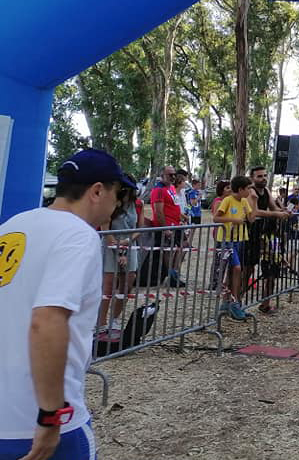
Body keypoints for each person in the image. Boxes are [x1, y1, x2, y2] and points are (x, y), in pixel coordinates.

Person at [0, 148, 134, 460]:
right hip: (35, 425)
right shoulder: (79, 236)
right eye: (118, 193)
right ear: (97, 191)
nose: (117, 205)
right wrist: (50, 414)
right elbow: (47, 320)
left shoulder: (12, 226)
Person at [97, 183, 144, 338]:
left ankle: (114, 319)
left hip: (130, 245)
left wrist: (127, 241)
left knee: (128, 282)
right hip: (110, 244)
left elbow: (140, 227)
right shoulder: (110, 203)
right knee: (109, 285)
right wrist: (118, 249)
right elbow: (105, 228)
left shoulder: (137, 204)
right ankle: (101, 323)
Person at [247, 166, 291, 316]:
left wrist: (283, 211)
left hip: (270, 236)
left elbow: (273, 207)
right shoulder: (251, 192)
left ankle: (266, 303)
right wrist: (276, 214)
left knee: (272, 270)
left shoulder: (265, 191)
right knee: (248, 269)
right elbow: (255, 212)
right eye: (259, 176)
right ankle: (236, 302)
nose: (263, 178)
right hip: (252, 235)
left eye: (265, 175)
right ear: (252, 178)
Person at [213, 175, 257, 321]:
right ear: (241, 189)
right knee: (237, 268)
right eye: (248, 188)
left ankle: (227, 301)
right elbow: (216, 218)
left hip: (239, 239)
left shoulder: (244, 201)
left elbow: (251, 218)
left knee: (233, 271)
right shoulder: (228, 200)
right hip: (226, 240)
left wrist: (254, 201)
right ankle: (234, 301)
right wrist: (233, 220)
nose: (251, 191)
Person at [151, 165, 186, 287]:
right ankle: (171, 276)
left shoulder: (171, 188)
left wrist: (181, 216)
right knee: (168, 251)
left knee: (183, 247)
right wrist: (165, 228)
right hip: (166, 226)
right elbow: (158, 211)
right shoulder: (159, 190)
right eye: (169, 174)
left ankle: (174, 273)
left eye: (174, 174)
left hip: (176, 225)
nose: (172, 177)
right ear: (162, 176)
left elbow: (173, 205)